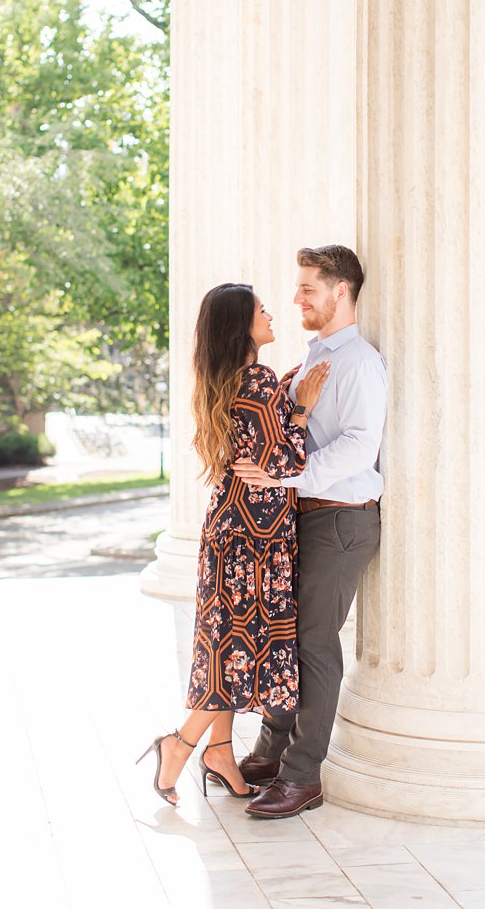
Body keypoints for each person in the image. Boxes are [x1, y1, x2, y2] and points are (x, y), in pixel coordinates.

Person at [138, 284, 328, 804]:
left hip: (233, 530)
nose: (271, 314)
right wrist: (303, 410)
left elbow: (262, 449)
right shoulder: (257, 380)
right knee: (233, 648)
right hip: (254, 538)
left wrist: (287, 393)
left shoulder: (229, 380)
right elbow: (286, 463)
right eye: (261, 309)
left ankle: (219, 751)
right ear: (241, 325)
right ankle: (178, 745)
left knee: (224, 645)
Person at [232, 244, 386, 820]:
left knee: (313, 647)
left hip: (341, 520)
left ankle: (303, 777)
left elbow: (359, 446)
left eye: (308, 288)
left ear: (340, 290)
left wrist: (287, 474)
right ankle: (271, 756)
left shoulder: (359, 363)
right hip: (307, 515)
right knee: (285, 639)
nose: (296, 298)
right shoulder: (316, 357)